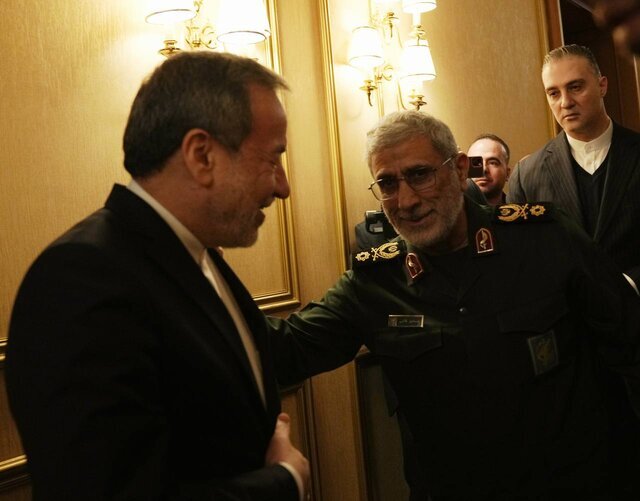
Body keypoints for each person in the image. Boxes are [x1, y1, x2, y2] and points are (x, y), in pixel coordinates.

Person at [269, 110, 640, 500]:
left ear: (460, 169)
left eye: (420, 175)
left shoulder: (544, 240)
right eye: (388, 183)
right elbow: (284, 350)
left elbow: (630, 341)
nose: (406, 201)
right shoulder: (375, 281)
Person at [5, 51, 309, 500]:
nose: (282, 186)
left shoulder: (194, 256)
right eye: (272, 159)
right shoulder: (80, 277)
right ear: (201, 155)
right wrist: (285, 481)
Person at [508, 44, 640, 291]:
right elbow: (520, 259)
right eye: (553, 93)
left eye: (575, 87)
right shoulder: (526, 176)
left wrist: (629, 284)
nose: (565, 102)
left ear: (602, 86)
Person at [467, 133, 511, 205]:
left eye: (492, 163)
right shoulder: (451, 211)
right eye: (476, 163)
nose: (483, 169)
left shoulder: (521, 211)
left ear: (507, 173)